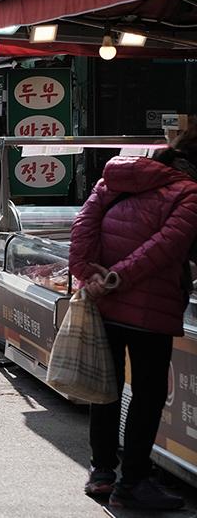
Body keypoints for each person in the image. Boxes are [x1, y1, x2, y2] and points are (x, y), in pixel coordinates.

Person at [69, 126, 197, 510]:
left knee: (105, 389)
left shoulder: (114, 181)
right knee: (147, 394)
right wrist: (118, 278)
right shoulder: (189, 194)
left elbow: (82, 229)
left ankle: (103, 473)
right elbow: (165, 247)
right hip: (149, 309)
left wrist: (89, 274)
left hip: (104, 304)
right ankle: (134, 481)